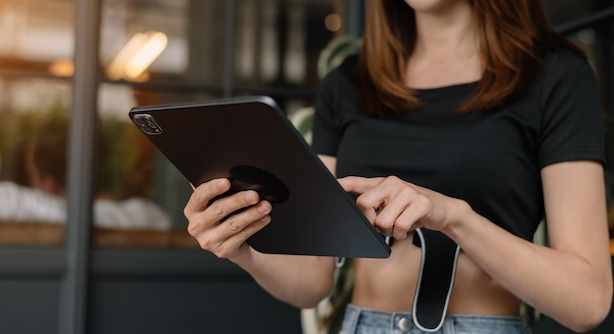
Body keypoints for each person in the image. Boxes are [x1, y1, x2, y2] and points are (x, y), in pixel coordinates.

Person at [184, 0, 613, 333]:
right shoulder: (349, 82)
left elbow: (587, 302)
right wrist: (246, 249)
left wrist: (454, 217)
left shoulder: (555, 75)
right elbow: (313, 281)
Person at [0, 114, 171, 230]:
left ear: (49, 184)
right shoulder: (146, 215)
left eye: (32, 175)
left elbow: (16, 202)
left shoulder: (63, 221)